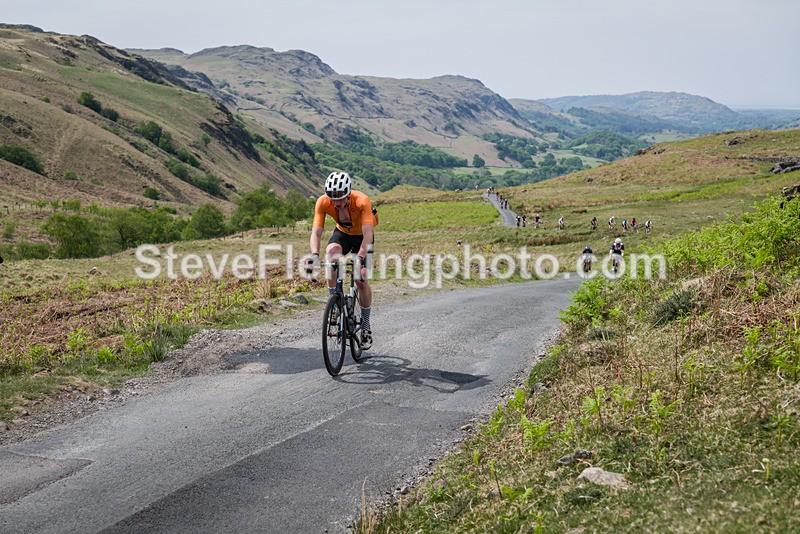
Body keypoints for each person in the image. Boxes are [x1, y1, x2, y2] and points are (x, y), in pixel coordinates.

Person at [306, 172, 376, 350]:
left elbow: (368, 234)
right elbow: (316, 232)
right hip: (343, 234)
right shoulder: (323, 202)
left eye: (340, 198)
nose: (336, 202)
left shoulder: (362, 200)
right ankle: (335, 302)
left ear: (348, 193)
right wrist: (314, 255)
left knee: (361, 280)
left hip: (362, 237)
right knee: (331, 253)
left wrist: (360, 257)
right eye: (332, 198)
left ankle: (366, 326)